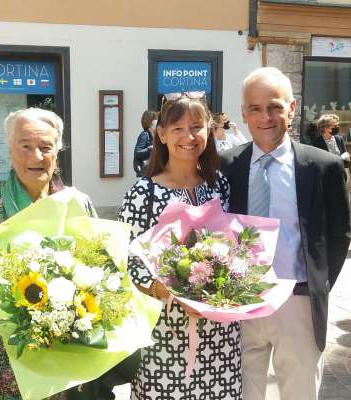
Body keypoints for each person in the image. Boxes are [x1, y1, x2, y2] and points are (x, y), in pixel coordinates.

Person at [0, 107, 130, 400]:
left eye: (45, 147)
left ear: (57, 152)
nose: (36, 156)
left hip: (66, 372)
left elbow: (105, 274)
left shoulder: (77, 204)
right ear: (10, 150)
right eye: (25, 146)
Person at [219, 67, 351, 400]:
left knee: (299, 392)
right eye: (255, 108)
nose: (266, 116)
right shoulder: (223, 166)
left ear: (292, 109)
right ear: (243, 113)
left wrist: (315, 285)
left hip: (297, 302)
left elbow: (339, 235)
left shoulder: (323, 166)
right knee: (242, 393)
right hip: (239, 305)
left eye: (275, 106)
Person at [119, 93, 240, 400]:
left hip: (220, 332)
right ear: (161, 134)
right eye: (178, 128)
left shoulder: (219, 184)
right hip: (165, 331)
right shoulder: (143, 192)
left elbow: (235, 245)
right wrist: (166, 291)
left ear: (209, 130)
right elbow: (124, 259)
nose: (189, 136)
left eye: (197, 127)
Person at [133, 110, 157, 177]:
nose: (157, 121)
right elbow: (137, 152)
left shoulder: (154, 135)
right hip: (145, 172)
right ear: (150, 122)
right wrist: (150, 149)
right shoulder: (144, 135)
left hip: (151, 172)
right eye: (155, 119)